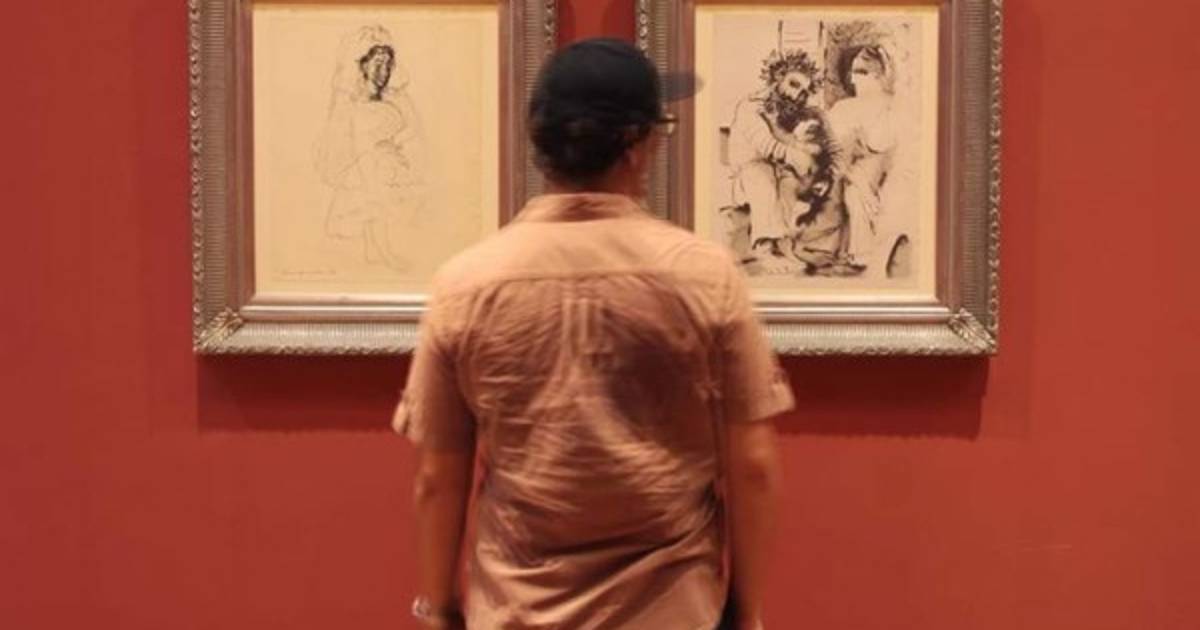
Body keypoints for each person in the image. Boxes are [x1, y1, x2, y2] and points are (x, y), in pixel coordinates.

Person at [393, 38, 794, 630]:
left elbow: (437, 478)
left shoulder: (466, 284)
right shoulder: (707, 277)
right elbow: (753, 466)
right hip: (672, 608)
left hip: (518, 608)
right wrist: (744, 609)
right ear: (635, 144)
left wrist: (440, 607)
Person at [314, 25, 428, 271]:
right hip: (364, 163)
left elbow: (412, 127)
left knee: (381, 204)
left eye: (387, 64)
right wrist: (367, 164)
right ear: (363, 65)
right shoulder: (352, 101)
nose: (383, 70)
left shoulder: (394, 96)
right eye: (377, 63)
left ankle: (374, 252)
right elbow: (350, 138)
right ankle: (382, 252)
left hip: (388, 162)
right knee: (373, 203)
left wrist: (395, 145)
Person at [724, 48, 835, 273]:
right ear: (778, 77)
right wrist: (796, 156)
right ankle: (764, 249)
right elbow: (766, 146)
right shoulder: (750, 106)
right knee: (763, 177)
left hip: (774, 166)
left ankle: (784, 245)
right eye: (793, 84)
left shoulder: (787, 111)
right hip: (748, 167)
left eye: (802, 91)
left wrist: (807, 156)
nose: (796, 95)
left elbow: (791, 142)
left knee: (788, 183)